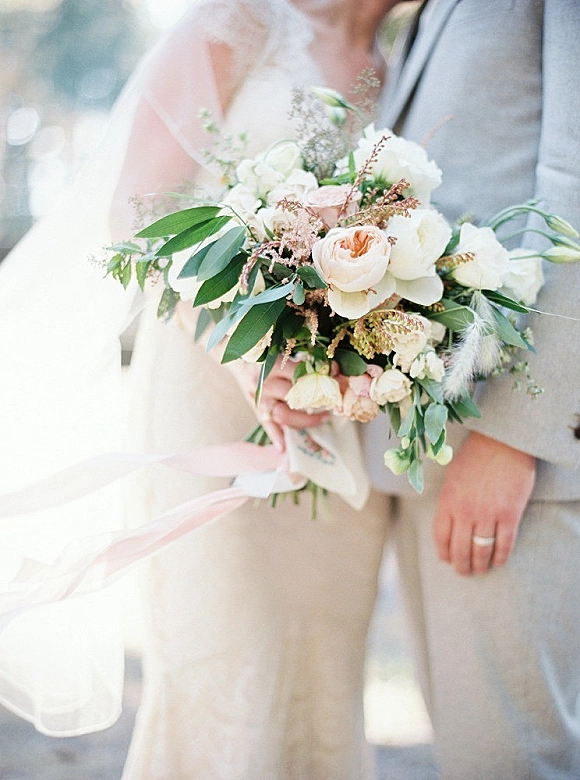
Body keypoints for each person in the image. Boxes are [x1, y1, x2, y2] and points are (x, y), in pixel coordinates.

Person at [0, 1, 402, 778]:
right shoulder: (241, 22)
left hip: (332, 414)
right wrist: (245, 349)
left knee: (323, 672)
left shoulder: (403, 65)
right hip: (209, 388)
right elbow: (138, 211)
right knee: (224, 666)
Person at [362, 1, 580, 778]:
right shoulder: (421, 15)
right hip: (430, 443)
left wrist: (511, 435)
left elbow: (574, 193)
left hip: (516, 454)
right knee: (469, 753)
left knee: (512, 759)